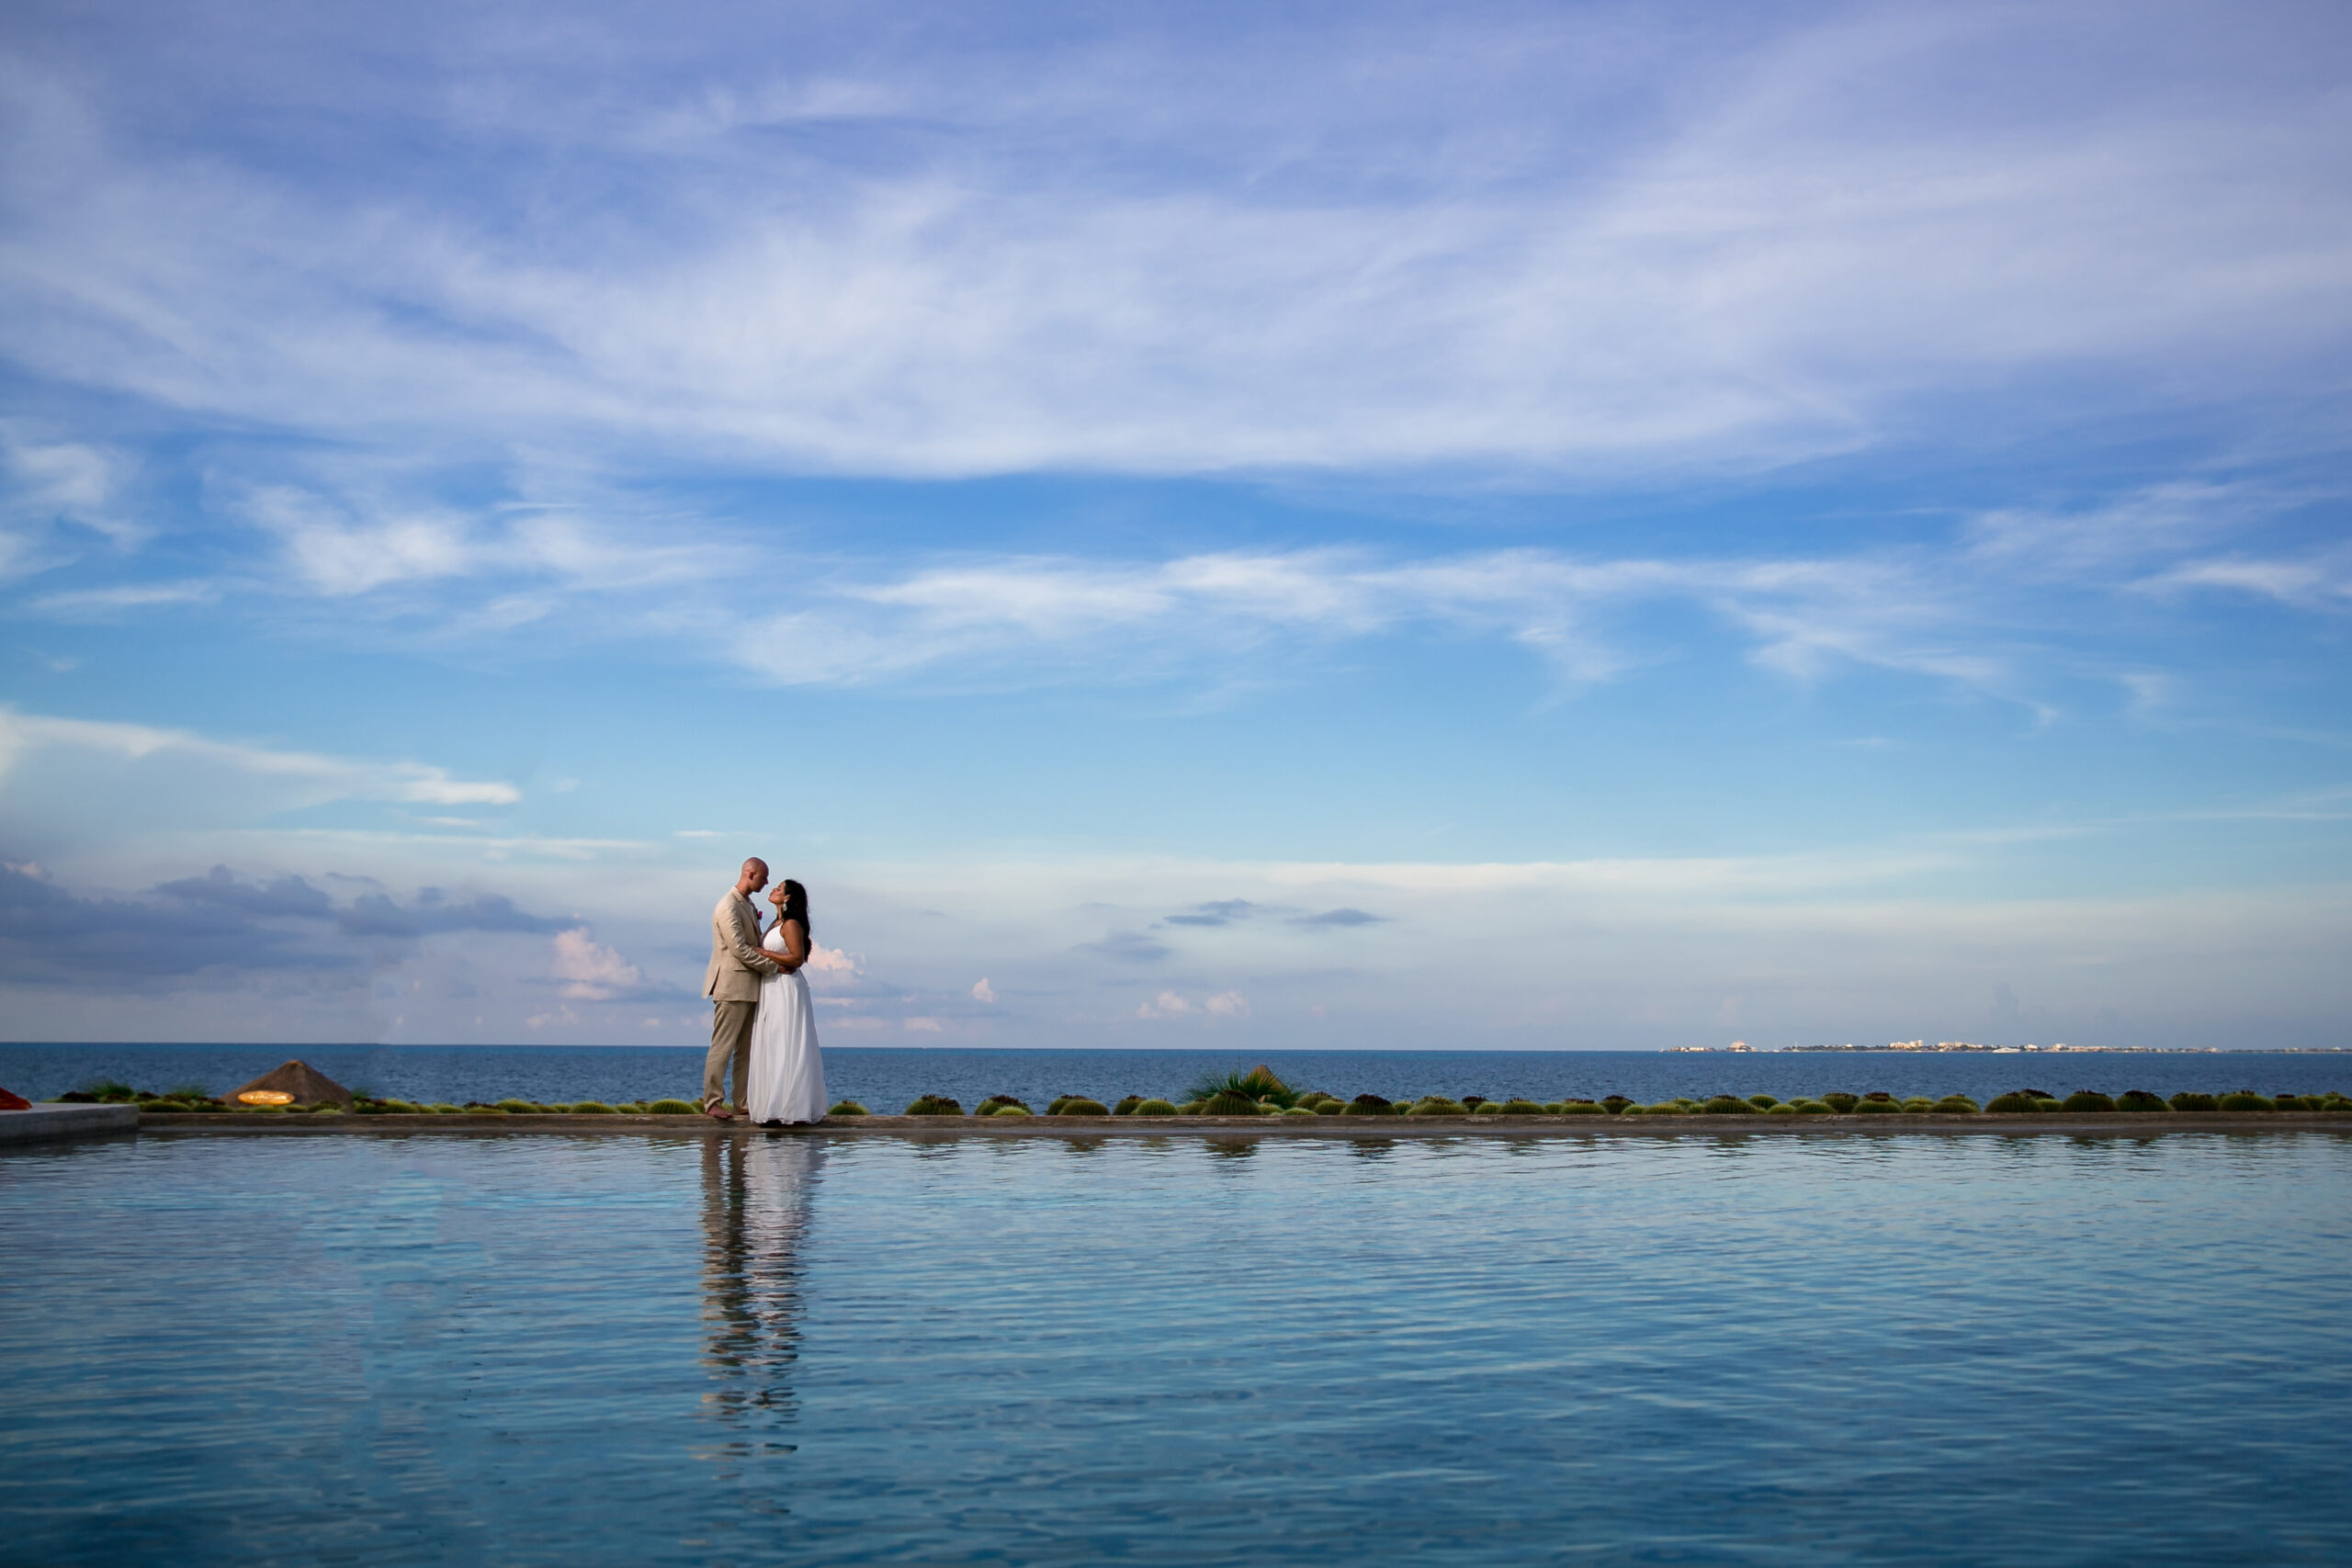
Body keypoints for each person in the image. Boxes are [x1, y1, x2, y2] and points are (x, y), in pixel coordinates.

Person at [702, 858, 786, 1121]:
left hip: (749, 987)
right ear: (750, 874)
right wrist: (773, 967)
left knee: (746, 1050)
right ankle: (713, 1102)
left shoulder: (748, 904)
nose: (767, 882)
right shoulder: (728, 905)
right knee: (722, 1046)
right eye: (764, 877)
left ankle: (742, 1101)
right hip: (731, 986)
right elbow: (739, 949)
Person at [745, 877, 828, 1125]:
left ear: (788, 897)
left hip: (786, 988)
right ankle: (774, 1104)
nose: (773, 890)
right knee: (772, 1041)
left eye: (779, 889)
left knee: (785, 1041)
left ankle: (791, 1107)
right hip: (771, 986)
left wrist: (763, 952)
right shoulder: (776, 922)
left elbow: (797, 957)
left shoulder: (791, 924)